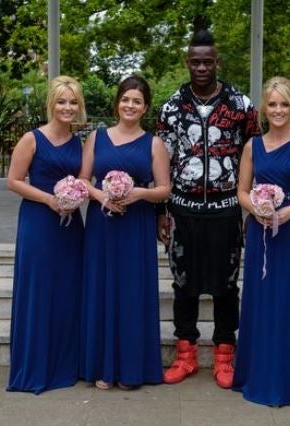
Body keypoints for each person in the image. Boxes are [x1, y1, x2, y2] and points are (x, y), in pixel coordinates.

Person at [156, 29, 259, 388]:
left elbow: (254, 155)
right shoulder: (171, 107)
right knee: (183, 284)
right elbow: (162, 160)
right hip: (182, 209)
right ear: (187, 63)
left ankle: (224, 356)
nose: (201, 67)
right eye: (195, 61)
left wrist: (251, 208)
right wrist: (161, 212)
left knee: (226, 285)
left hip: (226, 208)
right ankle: (185, 356)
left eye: (208, 61)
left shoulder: (240, 105)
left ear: (218, 62)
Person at [232, 76, 290, 406]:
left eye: (284, 104)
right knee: (264, 304)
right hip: (262, 235)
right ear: (264, 108)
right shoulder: (252, 146)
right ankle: (262, 376)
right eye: (272, 104)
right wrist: (255, 208)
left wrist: (289, 211)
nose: (278, 110)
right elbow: (241, 191)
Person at [79, 75, 170, 390]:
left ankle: (132, 369)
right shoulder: (96, 138)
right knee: (101, 290)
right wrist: (103, 196)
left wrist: (139, 194)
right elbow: (83, 180)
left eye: (137, 101)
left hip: (136, 226)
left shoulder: (154, 143)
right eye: (126, 99)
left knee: (132, 294)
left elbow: (164, 189)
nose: (130, 105)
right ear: (117, 102)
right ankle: (102, 367)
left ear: (145, 107)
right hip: (101, 225)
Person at [6, 75, 86, 394]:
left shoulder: (79, 142)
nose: (67, 107)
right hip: (39, 223)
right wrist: (49, 199)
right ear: (51, 104)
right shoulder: (32, 139)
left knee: (67, 291)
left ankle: (65, 363)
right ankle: (36, 366)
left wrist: (75, 197)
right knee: (39, 291)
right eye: (62, 101)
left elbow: (82, 181)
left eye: (73, 102)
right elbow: (13, 181)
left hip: (70, 227)